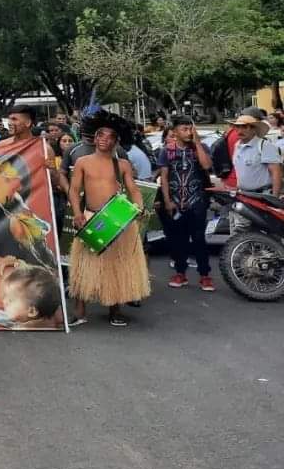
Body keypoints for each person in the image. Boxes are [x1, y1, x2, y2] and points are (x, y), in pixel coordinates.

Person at [68, 111, 150, 327]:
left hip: (117, 217)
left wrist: (139, 207)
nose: (105, 140)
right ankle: (80, 311)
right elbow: (74, 190)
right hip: (90, 218)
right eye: (101, 135)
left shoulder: (122, 164)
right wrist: (77, 213)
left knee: (117, 266)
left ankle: (115, 310)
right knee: (83, 265)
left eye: (110, 137)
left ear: (116, 141)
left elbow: (133, 189)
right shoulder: (82, 162)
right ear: (94, 138)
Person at [158, 116, 215, 292]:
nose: (188, 132)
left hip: (197, 201)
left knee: (199, 239)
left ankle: (204, 275)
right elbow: (164, 178)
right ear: (174, 132)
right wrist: (167, 200)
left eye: (190, 128)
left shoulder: (201, 148)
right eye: (184, 129)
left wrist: (197, 141)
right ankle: (180, 273)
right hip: (175, 201)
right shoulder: (166, 151)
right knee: (178, 240)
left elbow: (206, 166)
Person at [0, 265, 63, 329]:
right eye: (6, 295)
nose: (4, 301)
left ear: (31, 311)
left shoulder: (23, 332)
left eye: (10, 300)